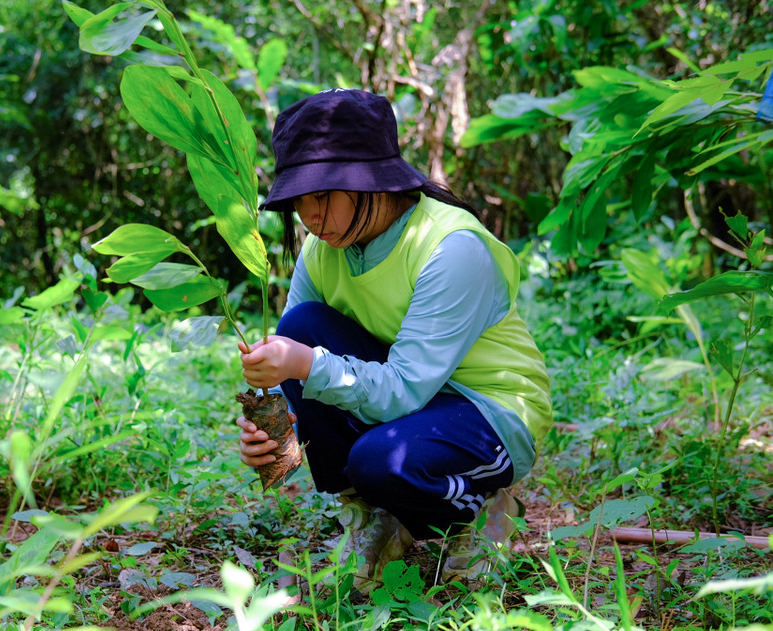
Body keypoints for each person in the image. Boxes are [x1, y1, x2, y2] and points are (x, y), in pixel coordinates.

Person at [235, 88, 552, 591]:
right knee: (300, 326)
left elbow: (401, 389)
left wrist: (305, 365)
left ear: (372, 181)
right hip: (410, 396)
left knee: (383, 461)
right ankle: (373, 516)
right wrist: (273, 425)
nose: (310, 215)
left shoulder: (451, 247)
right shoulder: (322, 250)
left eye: (322, 195)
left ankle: (483, 509)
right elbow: (292, 357)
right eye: (299, 199)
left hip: (487, 407)